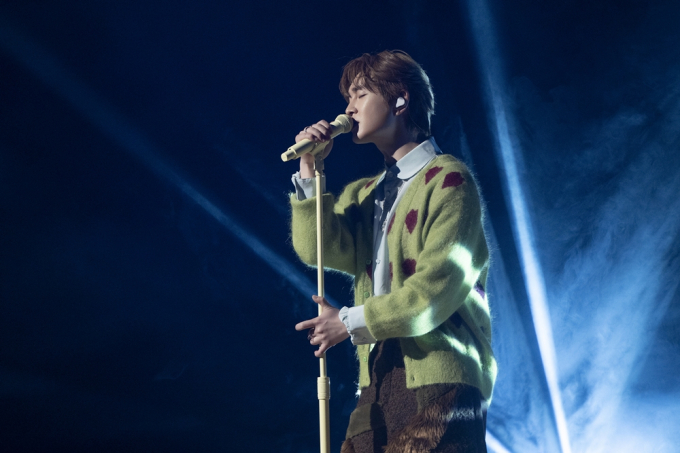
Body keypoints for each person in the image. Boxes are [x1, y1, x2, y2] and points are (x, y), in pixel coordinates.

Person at [289, 50, 496, 453]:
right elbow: (316, 249)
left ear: (400, 100)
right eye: (348, 98)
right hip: (378, 375)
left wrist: (347, 322)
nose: (348, 108)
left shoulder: (449, 180)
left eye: (360, 94)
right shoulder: (367, 194)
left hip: (441, 375)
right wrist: (309, 171)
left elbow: (433, 292)